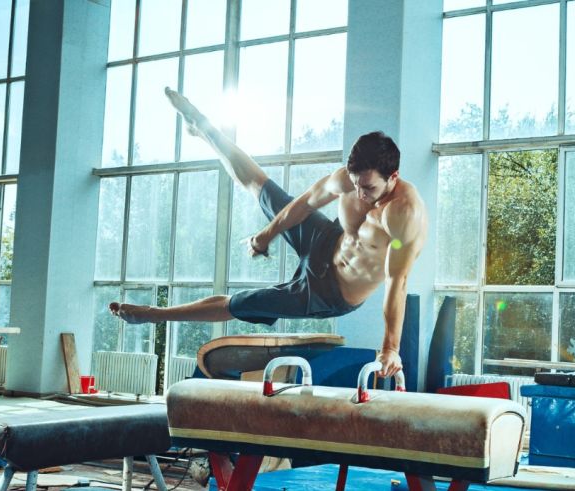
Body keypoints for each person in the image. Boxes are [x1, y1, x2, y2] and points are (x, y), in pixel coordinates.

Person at [109, 87, 428, 377]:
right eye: (355, 185)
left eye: (368, 188)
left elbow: (396, 282)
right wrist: (267, 234)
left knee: (240, 304)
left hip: (329, 292)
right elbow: (303, 205)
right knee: (260, 186)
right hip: (327, 242)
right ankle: (206, 130)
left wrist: (390, 347)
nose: (359, 194)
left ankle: (154, 315)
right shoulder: (350, 178)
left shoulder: (404, 214)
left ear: (393, 177)